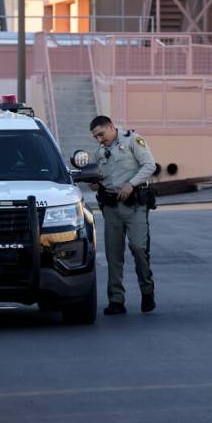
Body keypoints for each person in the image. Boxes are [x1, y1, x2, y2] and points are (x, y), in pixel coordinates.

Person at [90, 115, 157, 315]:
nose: (100, 139)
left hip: (134, 204)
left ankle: (147, 290)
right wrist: (95, 182)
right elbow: (102, 176)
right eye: (96, 137)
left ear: (111, 127)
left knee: (138, 247)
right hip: (111, 207)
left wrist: (131, 184)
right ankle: (116, 300)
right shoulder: (100, 151)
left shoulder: (132, 140)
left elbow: (149, 165)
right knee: (113, 254)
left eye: (101, 134)